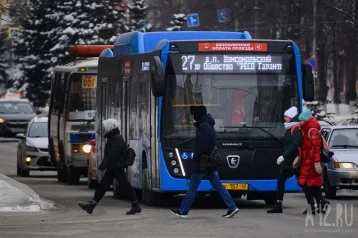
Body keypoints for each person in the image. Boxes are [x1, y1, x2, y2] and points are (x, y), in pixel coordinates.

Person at [170, 105, 240, 218]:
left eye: (193, 114)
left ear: (197, 114)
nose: (192, 117)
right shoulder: (209, 124)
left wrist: (196, 157)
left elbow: (203, 145)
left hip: (202, 163)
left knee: (192, 186)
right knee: (218, 186)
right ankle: (232, 207)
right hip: (210, 163)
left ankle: (183, 211)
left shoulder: (203, 126)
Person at [78, 119, 141, 215]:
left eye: (105, 127)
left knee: (125, 186)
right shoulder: (113, 138)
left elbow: (112, 155)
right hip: (113, 167)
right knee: (103, 186)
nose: (104, 129)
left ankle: (136, 205)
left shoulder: (117, 139)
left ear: (110, 127)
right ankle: (92, 205)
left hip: (117, 167)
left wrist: (102, 166)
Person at [267, 106, 302, 213]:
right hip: (289, 162)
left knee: (303, 183)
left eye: (286, 117)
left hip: (295, 162)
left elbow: (295, 145)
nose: (285, 119)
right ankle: (278, 204)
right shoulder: (291, 128)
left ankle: (318, 201)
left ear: (291, 117)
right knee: (281, 181)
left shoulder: (295, 129)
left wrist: (284, 156)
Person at [297, 109, 330, 215]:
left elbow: (316, 149)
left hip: (311, 163)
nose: (300, 122)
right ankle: (320, 203)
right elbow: (304, 148)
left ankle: (313, 204)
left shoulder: (312, 131)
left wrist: (316, 164)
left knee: (306, 183)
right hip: (307, 161)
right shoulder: (306, 131)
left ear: (306, 120)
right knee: (313, 185)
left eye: (301, 120)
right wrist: (299, 158)